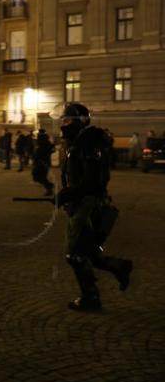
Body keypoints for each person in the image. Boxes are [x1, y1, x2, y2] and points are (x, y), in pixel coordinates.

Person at [56, 103, 132, 311]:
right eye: (63, 120)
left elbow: (95, 179)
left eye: (68, 120)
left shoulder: (88, 143)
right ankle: (119, 266)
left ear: (80, 121)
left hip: (88, 205)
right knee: (88, 250)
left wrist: (71, 193)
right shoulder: (78, 142)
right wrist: (68, 193)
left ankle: (91, 298)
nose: (63, 124)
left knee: (75, 254)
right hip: (82, 203)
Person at [32, 129, 55, 196]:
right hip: (43, 162)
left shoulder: (43, 144)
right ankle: (49, 187)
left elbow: (40, 153)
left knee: (39, 176)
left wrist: (36, 159)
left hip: (42, 163)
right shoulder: (46, 143)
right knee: (39, 176)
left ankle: (49, 187)